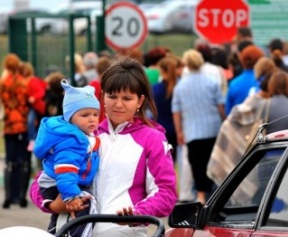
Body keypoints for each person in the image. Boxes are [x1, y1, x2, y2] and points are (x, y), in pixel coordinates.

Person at [30, 56, 178, 236]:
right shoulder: (82, 135)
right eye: (112, 96)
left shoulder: (153, 139)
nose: (118, 104)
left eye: (127, 98)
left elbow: (166, 193)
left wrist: (138, 213)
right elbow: (42, 180)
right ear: (102, 96)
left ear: (140, 101)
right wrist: (53, 205)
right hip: (69, 230)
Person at [34, 79, 100, 236]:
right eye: (85, 115)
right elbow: (65, 170)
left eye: (95, 114)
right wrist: (71, 196)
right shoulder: (72, 140)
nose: (91, 119)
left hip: (61, 182)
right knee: (83, 205)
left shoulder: (83, 135)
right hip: (58, 183)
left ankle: (53, 230)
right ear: (70, 118)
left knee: (62, 215)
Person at [172, 49, 225, 204]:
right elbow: (220, 106)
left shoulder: (180, 86)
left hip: (192, 130)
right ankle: (215, 194)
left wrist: (179, 132)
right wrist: (225, 120)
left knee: (196, 163)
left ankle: (201, 195)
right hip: (213, 128)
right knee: (212, 161)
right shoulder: (212, 82)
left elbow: (177, 112)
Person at [1, 53, 31, 209]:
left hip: (9, 127)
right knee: (23, 161)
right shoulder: (23, 83)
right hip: (23, 126)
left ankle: (8, 197)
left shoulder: (3, 83)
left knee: (9, 162)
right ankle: (21, 197)